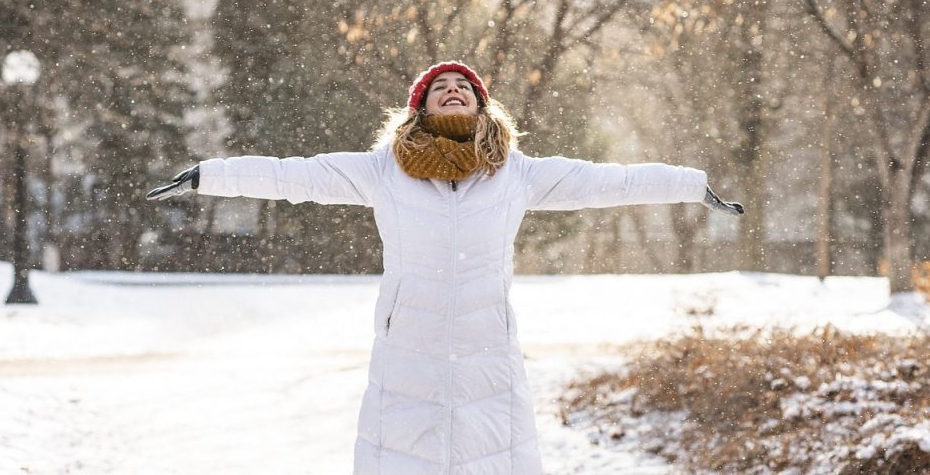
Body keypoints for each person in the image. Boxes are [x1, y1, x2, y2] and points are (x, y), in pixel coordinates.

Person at [147, 61, 743, 475]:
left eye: (464, 85)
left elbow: (610, 181)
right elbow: (294, 174)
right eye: (441, 86)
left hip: (489, 349)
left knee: (494, 456)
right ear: (420, 108)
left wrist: (693, 186)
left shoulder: (518, 173)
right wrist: (209, 174)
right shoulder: (383, 170)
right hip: (409, 345)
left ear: (482, 104)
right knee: (401, 456)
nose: (453, 88)